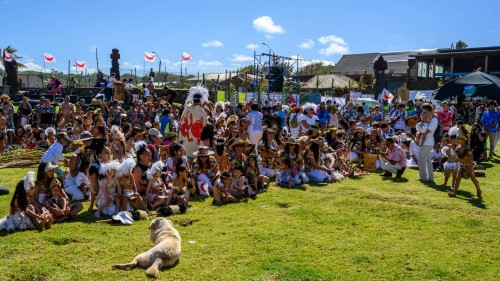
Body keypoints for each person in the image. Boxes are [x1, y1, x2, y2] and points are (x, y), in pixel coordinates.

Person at [449, 128, 482, 198]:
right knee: (458, 178)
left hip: (468, 166)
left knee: (473, 179)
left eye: (459, 139)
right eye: (457, 139)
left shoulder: (467, 148)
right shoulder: (458, 148)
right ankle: (454, 193)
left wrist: (470, 167)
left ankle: (478, 189)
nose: (457, 140)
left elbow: (471, 158)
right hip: (461, 166)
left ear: (464, 140)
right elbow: (459, 158)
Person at [416, 103, 438, 182]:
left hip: (428, 142)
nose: (423, 113)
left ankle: (423, 177)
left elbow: (429, 129)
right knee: (428, 160)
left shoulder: (434, 119)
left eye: (424, 111)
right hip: (425, 141)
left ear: (428, 110)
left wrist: (423, 134)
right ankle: (430, 178)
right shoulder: (425, 118)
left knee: (421, 159)